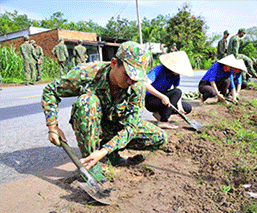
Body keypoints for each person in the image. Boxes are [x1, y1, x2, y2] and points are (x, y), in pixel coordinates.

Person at [41, 41, 167, 181]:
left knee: (159, 137)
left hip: (116, 125)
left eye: (136, 78)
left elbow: (131, 126)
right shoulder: (87, 74)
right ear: (114, 63)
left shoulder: (137, 86)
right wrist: (52, 126)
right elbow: (50, 90)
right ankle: (91, 163)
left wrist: (105, 150)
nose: (130, 81)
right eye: (127, 75)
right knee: (87, 102)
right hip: (94, 125)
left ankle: (111, 152)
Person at [144, 51, 194, 129]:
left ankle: (159, 114)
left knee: (187, 107)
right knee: (177, 92)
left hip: (163, 100)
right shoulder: (159, 69)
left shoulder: (176, 75)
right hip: (151, 99)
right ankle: (163, 121)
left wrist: (179, 107)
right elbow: (145, 84)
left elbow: (177, 90)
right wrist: (162, 97)